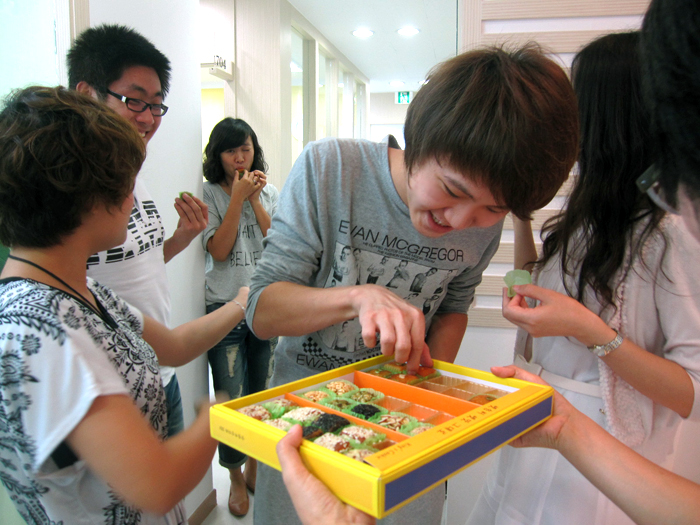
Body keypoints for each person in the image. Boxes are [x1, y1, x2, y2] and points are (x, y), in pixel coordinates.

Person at [247, 44, 579, 525]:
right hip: (307, 436)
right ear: (416, 142)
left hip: (407, 439)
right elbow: (261, 310)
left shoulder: (481, 225)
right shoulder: (331, 169)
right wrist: (358, 296)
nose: (464, 220)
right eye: (452, 190)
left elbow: (454, 307)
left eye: (493, 209)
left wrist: (425, 381)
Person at [467, 31, 700, 525]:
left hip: (603, 456)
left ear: (607, 115)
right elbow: (541, 285)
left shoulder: (670, 231)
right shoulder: (589, 213)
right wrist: (522, 217)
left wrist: (587, 329)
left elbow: (691, 393)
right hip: (538, 422)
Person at [0, 85, 247, 525]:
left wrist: (244, 300)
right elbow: (158, 482)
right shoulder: (37, 330)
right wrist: (219, 415)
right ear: (84, 197)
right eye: (123, 185)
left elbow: (170, 345)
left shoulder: (81, 288)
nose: (133, 200)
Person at [67, 24, 208, 438]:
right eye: (133, 100)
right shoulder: (62, 190)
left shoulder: (131, 172)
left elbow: (127, 264)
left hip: (161, 372)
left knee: (171, 506)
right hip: (107, 389)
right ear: (86, 93)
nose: (147, 118)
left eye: (156, 105)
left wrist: (180, 238)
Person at [201, 117, 279, 516]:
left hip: (266, 307)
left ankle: (254, 464)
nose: (239, 158)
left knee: (264, 393)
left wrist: (253, 200)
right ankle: (233, 476)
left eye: (245, 149)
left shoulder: (270, 192)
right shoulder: (208, 194)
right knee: (231, 398)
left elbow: (277, 246)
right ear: (218, 154)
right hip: (223, 312)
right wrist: (234, 199)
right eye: (231, 150)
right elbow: (218, 250)